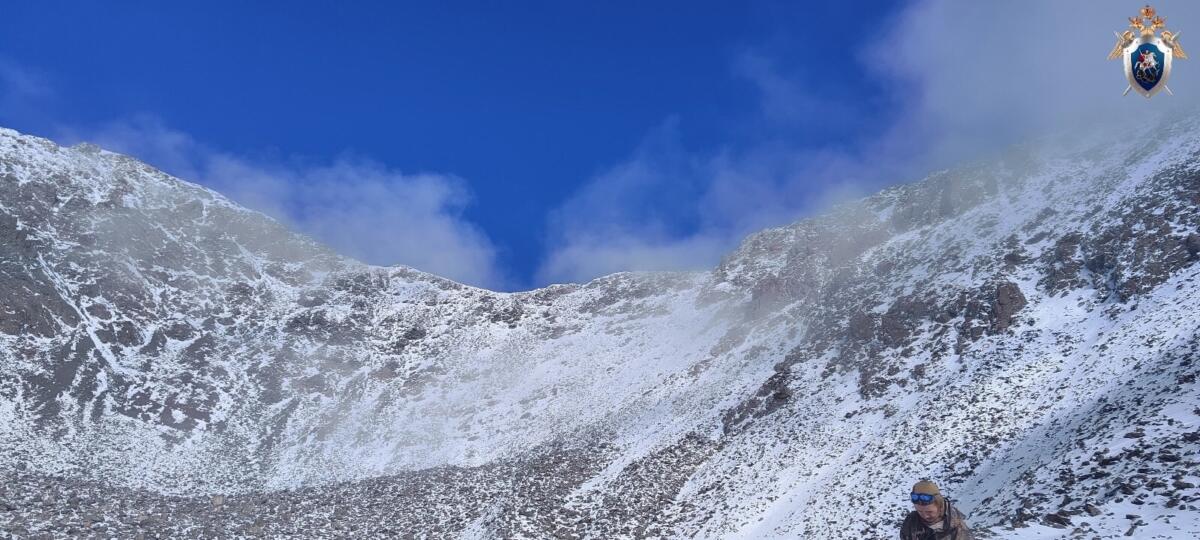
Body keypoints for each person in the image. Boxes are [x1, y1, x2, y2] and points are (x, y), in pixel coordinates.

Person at [899, 479, 974, 540]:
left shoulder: (957, 527)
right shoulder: (911, 521)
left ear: (940, 506)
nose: (925, 516)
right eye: (920, 511)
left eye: (929, 512)